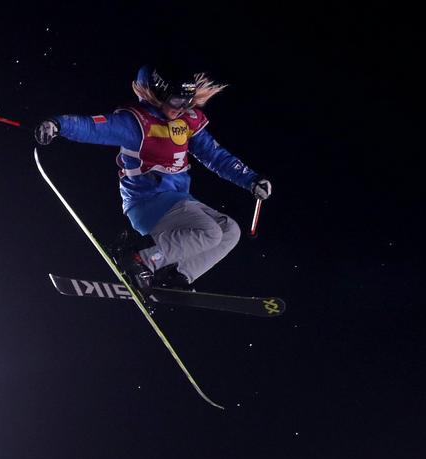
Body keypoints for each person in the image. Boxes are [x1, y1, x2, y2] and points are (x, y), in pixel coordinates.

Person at [34, 63, 272, 294]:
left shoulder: (185, 122)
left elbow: (214, 155)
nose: (181, 107)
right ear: (159, 95)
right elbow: (94, 127)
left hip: (178, 199)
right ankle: (140, 259)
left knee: (230, 231)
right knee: (210, 232)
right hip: (148, 202)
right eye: (177, 100)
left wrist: (250, 179)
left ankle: (176, 274)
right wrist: (58, 125)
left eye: (187, 101)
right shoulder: (137, 123)